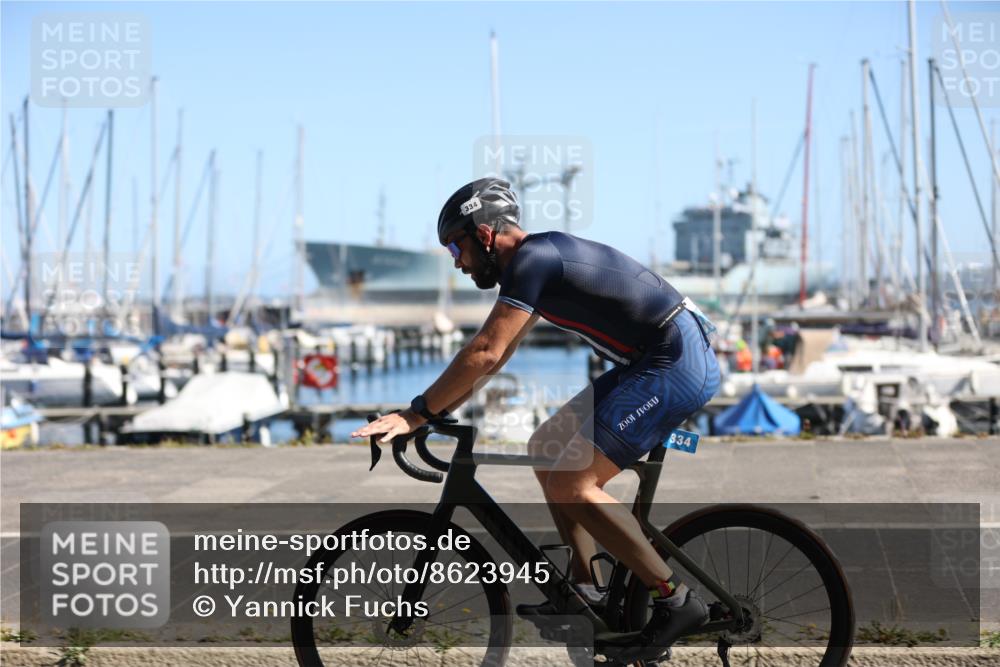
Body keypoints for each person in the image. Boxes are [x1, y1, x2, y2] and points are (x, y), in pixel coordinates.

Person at [353, 178, 721, 659]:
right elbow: (497, 357)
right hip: (655, 358)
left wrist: (416, 414)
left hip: (674, 362)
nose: (457, 262)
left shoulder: (534, 260)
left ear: (484, 234)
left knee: (573, 482)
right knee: (546, 448)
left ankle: (675, 599)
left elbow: (485, 351)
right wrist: (440, 412)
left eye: (456, 247)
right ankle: (587, 591)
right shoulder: (533, 266)